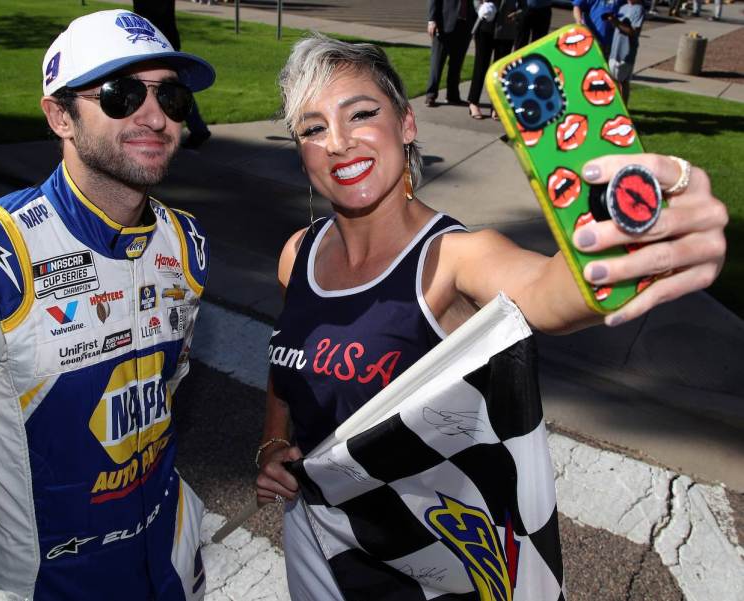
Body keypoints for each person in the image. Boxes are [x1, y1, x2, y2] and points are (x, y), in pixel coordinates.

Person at [256, 33, 726, 599]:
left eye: (360, 114)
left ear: (406, 124)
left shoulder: (455, 257)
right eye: (312, 128)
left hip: (429, 562)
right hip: (318, 539)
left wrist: (628, 242)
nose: (337, 142)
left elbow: (552, 293)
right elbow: (289, 359)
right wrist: (272, 442)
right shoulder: (296, 254)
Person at [0, 9, 215, 600]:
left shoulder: (186, 242)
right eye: (122, 94)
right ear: (59, 114)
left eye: (171, 97)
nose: (154, 116)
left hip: (170, 561)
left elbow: (162, 383)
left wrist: (6, 453)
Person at [134, 0, 212, 149]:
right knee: (172, 87)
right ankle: (198, 128)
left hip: (158, 41)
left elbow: (153, 12)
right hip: (159, 38)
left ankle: (198, 129)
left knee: (173, 88)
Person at [467, 0, 525, 120]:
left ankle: (497, 106)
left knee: (501, 71)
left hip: (506, 30)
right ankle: (473, 102)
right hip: (485, 27)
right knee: (481, 67)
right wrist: (481, 9)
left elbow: (524, 7)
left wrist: (516, 15)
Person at [425, 0, 478, 106]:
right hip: (444, 22)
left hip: (466, 24)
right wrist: (432, 20)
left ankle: (452, 96)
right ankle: (431, 94)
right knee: (437, 62)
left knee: (457, 63)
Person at [607, 0, 646, 104]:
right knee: (613, 81)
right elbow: (617, 27)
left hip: (626, 52)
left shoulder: (639, 9)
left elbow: (633, 32)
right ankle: (615, 107)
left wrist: (616, 22)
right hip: (615, 50)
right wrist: (612, 21)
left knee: (622, 82)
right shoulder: (623, 7)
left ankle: (622, 109)